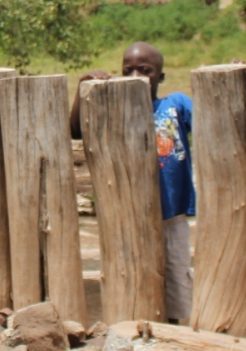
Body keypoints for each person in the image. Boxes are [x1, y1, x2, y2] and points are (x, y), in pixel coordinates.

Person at [68, 43, 194, 323]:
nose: (136, 75)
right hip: (129, 215)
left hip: (171, 213)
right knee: (134, 273)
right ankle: (136, 326)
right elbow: (76, 129)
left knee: (177, 273)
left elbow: (215, 116)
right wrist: (83, 88)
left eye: (145, 70)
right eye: (128, 70)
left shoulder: (175, 105)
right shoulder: (113, 105)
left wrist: (243, 75)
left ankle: (179, 328)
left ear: (160, 77)